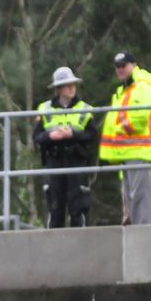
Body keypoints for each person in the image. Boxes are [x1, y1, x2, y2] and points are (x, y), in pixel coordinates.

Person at [99, 52, 151, 225]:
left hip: (139, 150)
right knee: (131, 198)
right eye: (117, 66)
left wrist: (121, 128)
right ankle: (137, 234)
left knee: (140, 197)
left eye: (123, 65)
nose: (120, 70)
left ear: (134, 65)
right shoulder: (123, 91)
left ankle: (143, 235)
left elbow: (141, 116)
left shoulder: (142, 87)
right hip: (126, 151)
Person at [34, 66, 97, 228]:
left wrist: (73, 135)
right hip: (54, 160)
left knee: (78, 207)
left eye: (73, 85)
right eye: (68, 85)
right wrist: (50, 136)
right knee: (55, 208)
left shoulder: (85, 109)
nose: (72, 88)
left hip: (76, 160)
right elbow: (37, 137)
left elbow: (91, 135)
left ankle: (81, 247)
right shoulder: (44, 109)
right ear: (59, 89)